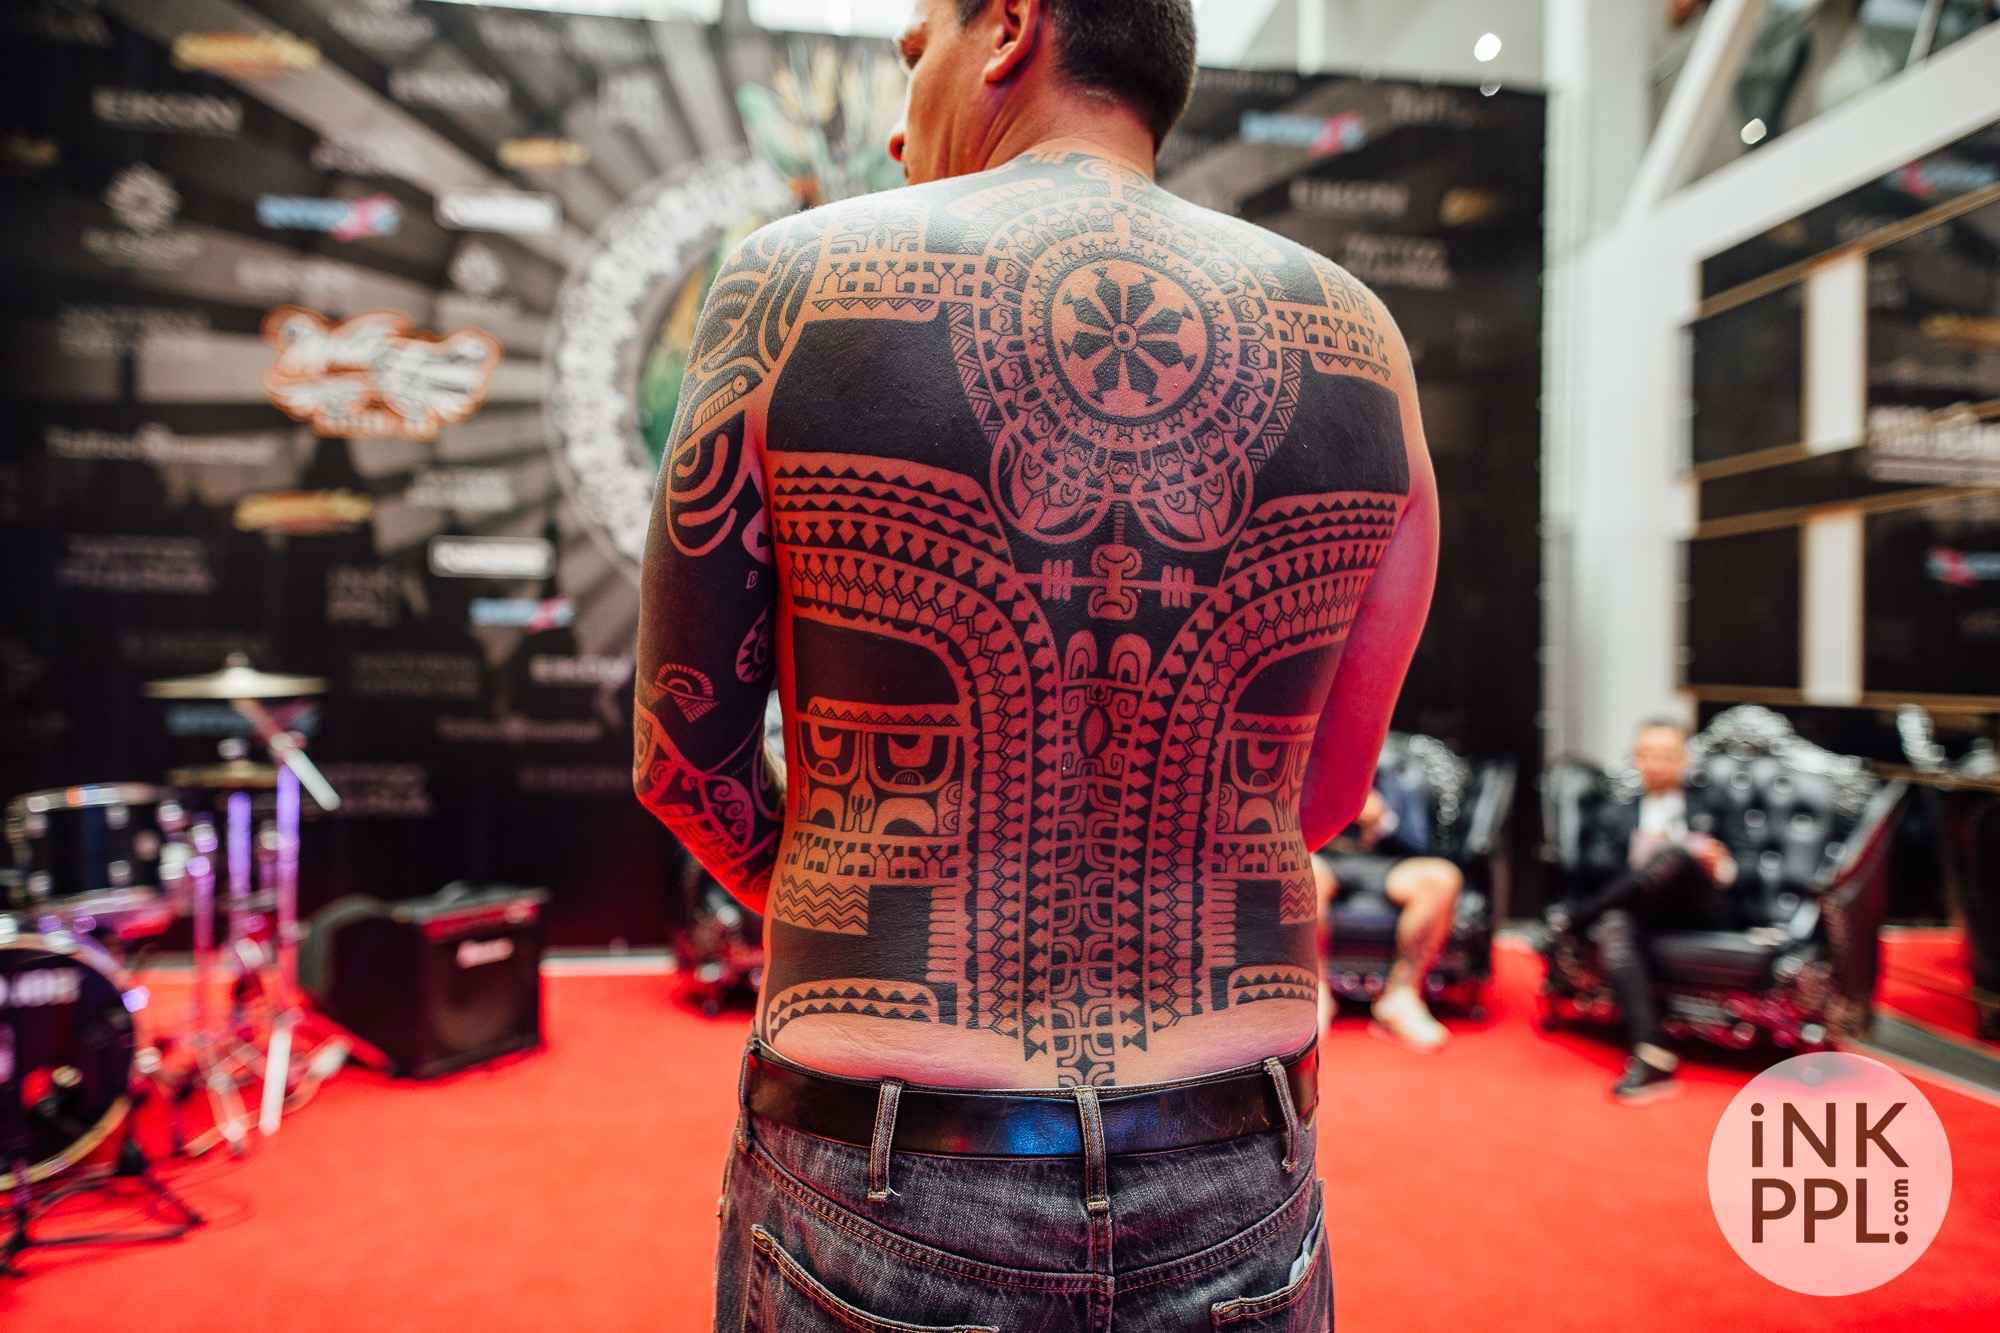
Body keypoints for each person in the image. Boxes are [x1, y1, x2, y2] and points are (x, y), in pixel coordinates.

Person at [633, 2, 1436, 1326]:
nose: (900, 130)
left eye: (915, 57)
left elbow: (684, 764)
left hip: (884, 1154)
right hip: (1237, 1153)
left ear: (1008, 26)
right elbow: (1326, 797)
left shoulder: (789, 286)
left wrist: (866, 888)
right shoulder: (1361, 345)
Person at [1545, 718, 1743, 1105]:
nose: (1655, 764)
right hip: (1642, 910)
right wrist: (1640, 860)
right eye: (1646, 755)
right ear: (1636, 759)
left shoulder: (1715, 804)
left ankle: (1576, 919)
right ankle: (1650, 1052)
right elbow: (1594, 868)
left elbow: (1747, 866)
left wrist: (1721, 863)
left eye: (1666, 755)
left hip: (1702, 908)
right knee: (1615, 923)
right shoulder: (1616, 813)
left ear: (1685, 760)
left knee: (1675, 854)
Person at [1316, 772, 1464, 1052]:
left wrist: (1383, 820)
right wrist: (1333, 814)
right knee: (1299, 872)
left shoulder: (1401, 777)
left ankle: (1401, 997)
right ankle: (1314, 993)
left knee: (1441, 878)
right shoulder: (1307, 769)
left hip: (1386, 863)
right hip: (1322, 858)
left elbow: (1420, 843)